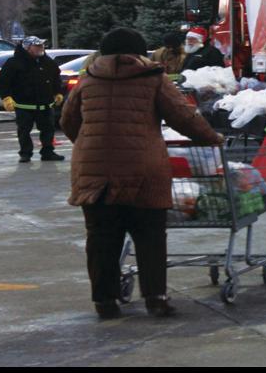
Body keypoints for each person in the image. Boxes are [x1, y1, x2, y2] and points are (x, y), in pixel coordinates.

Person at [61, 27, 224, 319]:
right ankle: (155, 299)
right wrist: (212, 139)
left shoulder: (87, 79)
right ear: (139, 52)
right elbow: (182, 117)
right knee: (149, 235)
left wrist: (89, 146)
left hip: (94, 173)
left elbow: (68, 120)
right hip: (143, 170)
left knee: (101, 238)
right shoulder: (153, 78)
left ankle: (105, 302)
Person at [0, 36, 64, 163]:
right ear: (27, 48)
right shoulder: (14, 63)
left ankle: (48, 152)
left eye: (42, 46)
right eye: (37, 46)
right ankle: (25, 153)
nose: (41, 48)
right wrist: (6, 97)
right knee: (24, 130)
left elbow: (56, 79)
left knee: (48, 129)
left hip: (45, 105)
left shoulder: (48, 62)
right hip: (24, 106)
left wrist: (58, 93)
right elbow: (3, 82)